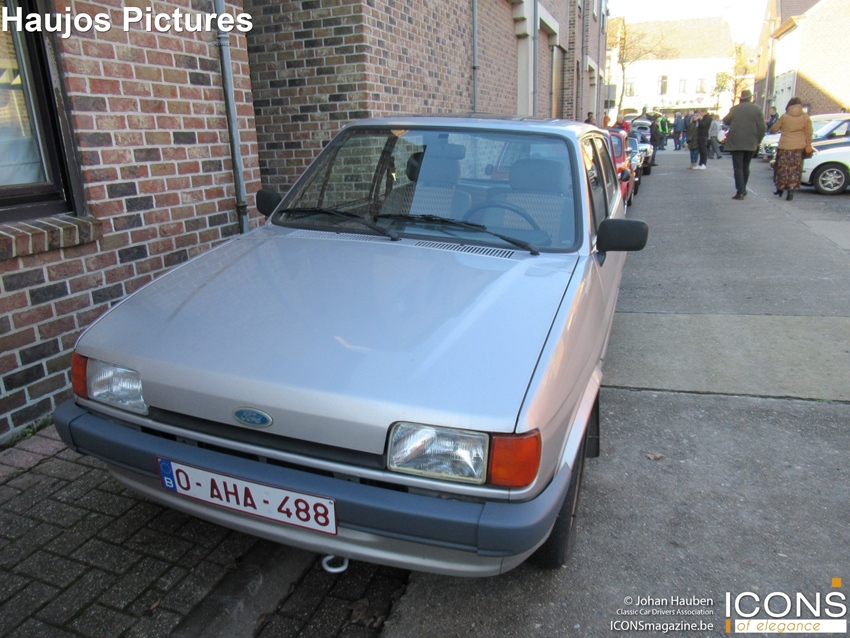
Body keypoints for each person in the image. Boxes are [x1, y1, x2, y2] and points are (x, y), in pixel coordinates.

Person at [722, 89, 766, 200]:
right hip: (751, 142)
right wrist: (758, 141)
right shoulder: (758, 109)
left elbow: (726, 120)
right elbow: (762, 128)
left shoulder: (735, 109)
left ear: (741, 99)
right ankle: (743, 189)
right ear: (750, 98)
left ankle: (740, 191)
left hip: (736, 142)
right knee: (746, 166)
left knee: (738, 167)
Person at [770, 97, 813, 201]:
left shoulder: (784, 117)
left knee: (782, 168)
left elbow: (774, 129)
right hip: (799, 148)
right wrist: (808, 144)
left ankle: (780, 188)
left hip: (785, 147)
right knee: (795, 169)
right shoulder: (805, 117)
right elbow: (809, 132)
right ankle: (791, 190)